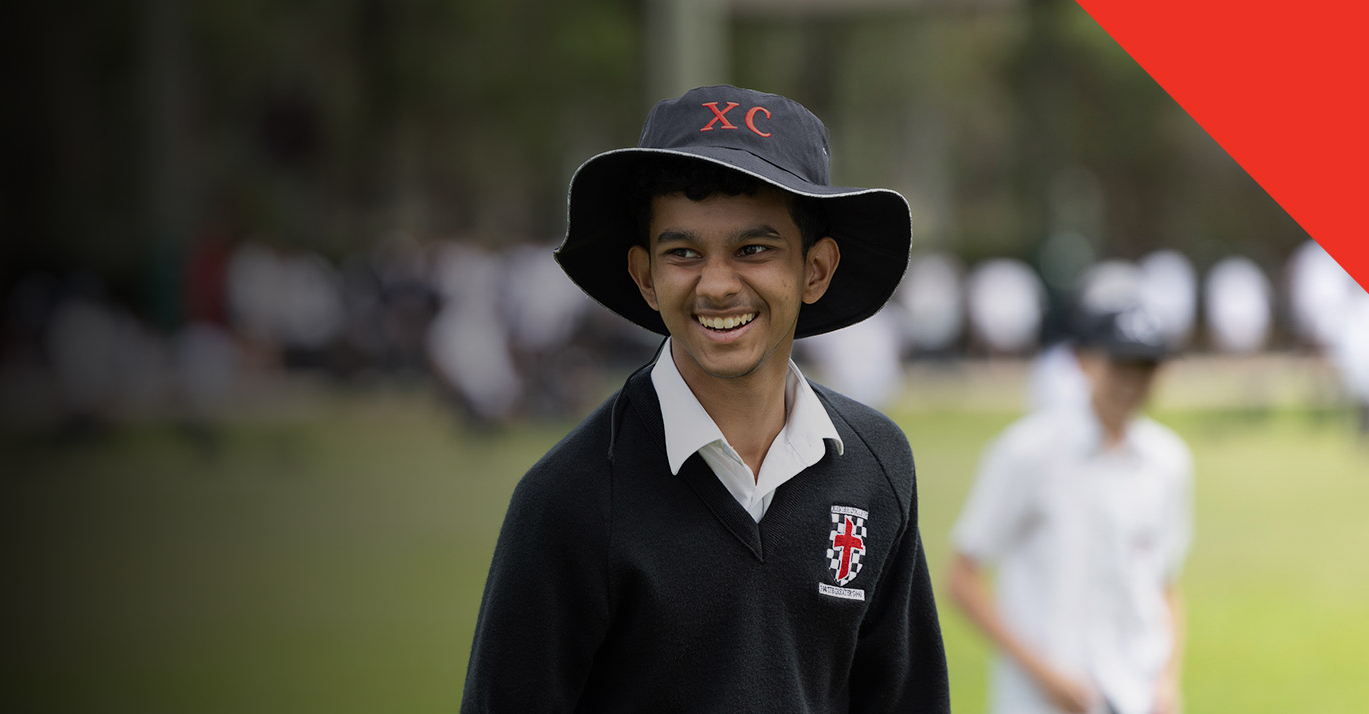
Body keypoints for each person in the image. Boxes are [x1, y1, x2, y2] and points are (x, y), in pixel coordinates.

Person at [460, 85, 949, 712]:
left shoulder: (877, 464)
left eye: (753, 249)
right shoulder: (571, 496)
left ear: (815, 270)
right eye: (684, 253)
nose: (717, 285)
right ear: (646, 277)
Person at [947, 305, 1193, 714]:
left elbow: (1165, 583)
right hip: (1044, 699)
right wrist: (1045, 675)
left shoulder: (1168, 461)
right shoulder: (1029, 452)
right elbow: (962, 579)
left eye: (1145, 367)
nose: (1132, 382)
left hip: (1137, 695)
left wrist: (1167, 683)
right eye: (1120, 365)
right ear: (1083, 361)